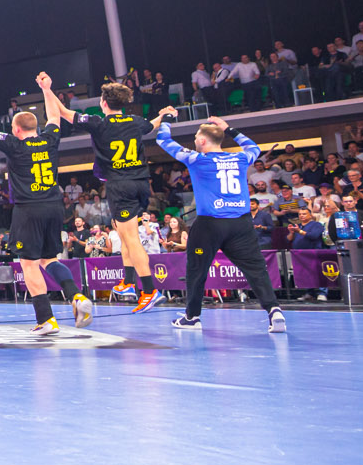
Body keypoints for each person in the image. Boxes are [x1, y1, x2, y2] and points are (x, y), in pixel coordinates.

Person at [154, 108, 287, 332]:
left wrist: (166, 118)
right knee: (256, 269)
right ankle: (274, 310)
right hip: (241, 224)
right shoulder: (240, 158)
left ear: (203, 141)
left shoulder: (197, 159)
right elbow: (254, 148)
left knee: (197, 270)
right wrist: (230, 129)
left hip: (210, 224)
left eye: (196, 137)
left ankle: (192, 317)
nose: (194, 140)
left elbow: (163, 140)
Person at [0, 76, 93, 334]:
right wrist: (47, 89)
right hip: (54, 206)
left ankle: (46, 319)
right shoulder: (50, 139)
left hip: (28, 209)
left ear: (16, 129)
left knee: (29, 264)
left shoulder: (15, 145)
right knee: (49, 259)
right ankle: (76, 295)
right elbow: (54, 116)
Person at [79, 82, 166, 313]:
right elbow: (151, 125)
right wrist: (163, 115)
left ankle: (150, 291)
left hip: (120, 185)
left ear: (103, 103)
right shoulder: (135, 120)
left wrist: (47, 91)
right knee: (124, 234)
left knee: (132, 239)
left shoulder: (99, 123)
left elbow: (67, 114)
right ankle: (128, 282)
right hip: (140, 183)